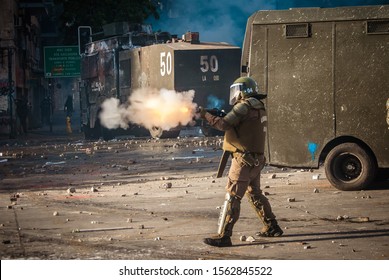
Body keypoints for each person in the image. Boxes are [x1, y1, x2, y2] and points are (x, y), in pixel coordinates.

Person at [198, 76, 283, 247]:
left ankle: (224, 236)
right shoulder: (257, 106)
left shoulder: (244, 105)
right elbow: (238, 123)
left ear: (242, 90)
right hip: (256, 159)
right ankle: (272, 227)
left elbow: (223, 125)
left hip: (243, 160)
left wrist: (205, 115)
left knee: (232, 196)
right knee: (254, 193)